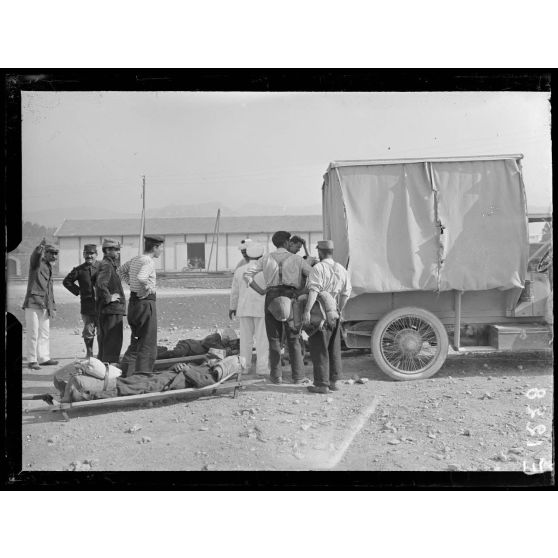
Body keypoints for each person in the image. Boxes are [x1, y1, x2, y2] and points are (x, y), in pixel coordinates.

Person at [244, 230, 313, 384]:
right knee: (293, 338)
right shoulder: (296, 259)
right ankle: (298, 377)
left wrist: (261, 290)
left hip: (271, 297)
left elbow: (247, 276)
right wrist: (303, 290)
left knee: (274, 339)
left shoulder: (265, 258)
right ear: (287, 242)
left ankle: (276, 376)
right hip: (291, 297)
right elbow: (313, 275)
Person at [302, 240, 351, 394]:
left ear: (320, 252)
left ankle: (321, 384)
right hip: (335, 313)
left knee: (319, 348)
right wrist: (339, 310)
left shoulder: (318, 268)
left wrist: (307, 311)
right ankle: (334, 382)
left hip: (320, 314)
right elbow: (346, 294)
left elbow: (314, 291)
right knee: (334, 348)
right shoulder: (341, 269)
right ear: (331, 252)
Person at [118, 234, 164, 375]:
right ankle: (143, 375)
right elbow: (142, 277)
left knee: (136, 340)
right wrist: (146, 289)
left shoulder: (136, 259)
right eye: (160, 248)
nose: (161, 251)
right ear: (155, 247)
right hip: (145, 304)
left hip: (133, 303)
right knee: (147, 342)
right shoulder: (148, 262)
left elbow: (120, 271)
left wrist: (132, 284)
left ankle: (126, 370)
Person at [229, 242, 269, 375]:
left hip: (244, 309)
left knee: (245, 340)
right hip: (261, 310)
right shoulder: (265, 270)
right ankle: (262, 369)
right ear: (261, 256)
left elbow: (234, 292)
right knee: (262, 341)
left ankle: (244, 368)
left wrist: (232, 307)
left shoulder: (240, 270)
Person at [22, 239, 59, 369]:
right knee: (33, 333)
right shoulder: (37, 264)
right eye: (51, 253)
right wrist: (39, 248)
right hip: (32, 303)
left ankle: (43, 358)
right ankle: (32, 360)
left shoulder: (49, 267)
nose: (54, 256)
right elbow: (34, 258)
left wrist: (52, 307)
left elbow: (50, 290)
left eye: (56, 253)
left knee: (44, 333)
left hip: (45, 305)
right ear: (45, 253)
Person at [62, 244, 100, 357]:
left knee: (103, 331)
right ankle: (89, 353)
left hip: (102, 305)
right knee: (88, 331)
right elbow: (66, 282)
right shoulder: (79, 270)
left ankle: (103, 353)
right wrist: (78, 291)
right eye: (87, 253)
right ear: (83, 254)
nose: (89, 256)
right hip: (87, 306)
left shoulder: (102, 267)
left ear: (96, 255)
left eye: (92, 253)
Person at [95, 238, 126, 364]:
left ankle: (103, 369)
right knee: (113, 343)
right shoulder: (107, 265)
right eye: (116, 250)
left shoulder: (108, 265)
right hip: (111, 310)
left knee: (106, 343)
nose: (118, 252)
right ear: (107, 250)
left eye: (119, 250)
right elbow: (100, 284)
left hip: (109, 310)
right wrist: (109, 298)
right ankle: (109, 371)